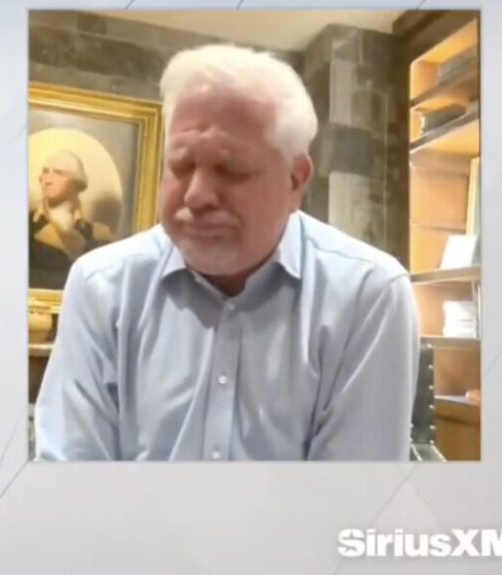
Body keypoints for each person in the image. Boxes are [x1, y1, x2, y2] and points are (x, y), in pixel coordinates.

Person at [33, 44, 420, 461]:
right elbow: (71, 475)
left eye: (231, 170)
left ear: (295, 179)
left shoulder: (368, 295)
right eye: (181, 166)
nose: (197, 196)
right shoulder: (101, 286)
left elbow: (353, 493)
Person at [29, 149, 115, 289]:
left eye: (58, 173)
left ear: (77, 182)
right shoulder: (24, 226)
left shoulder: (98, 234)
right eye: (45, 172)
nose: (47, 179)